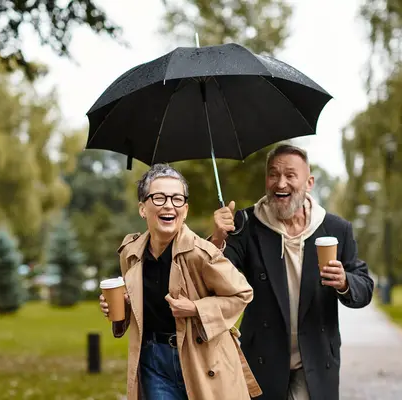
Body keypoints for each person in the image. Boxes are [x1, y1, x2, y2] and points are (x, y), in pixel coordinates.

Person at [210, 144, 374, 400]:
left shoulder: (335, 228)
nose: (280, 183)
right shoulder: (246, 224)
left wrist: (344, 282)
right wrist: (218, 238)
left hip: (316, 362)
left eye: (290, 175)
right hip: (263, 361)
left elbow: (364, 288)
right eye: (273, 174)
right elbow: (214, 279)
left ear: (309, 182)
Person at [99, 163, 262, 400]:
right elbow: (138, 307)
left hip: (202, 358)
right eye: (159, 198)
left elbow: (242, 293)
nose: (168, 205)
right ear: (142, 209)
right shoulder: (131, 253)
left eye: (177, 199)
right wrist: (121, 307)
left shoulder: (201, 253)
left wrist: (196, 308)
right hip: (153, 361)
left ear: (184, 210)